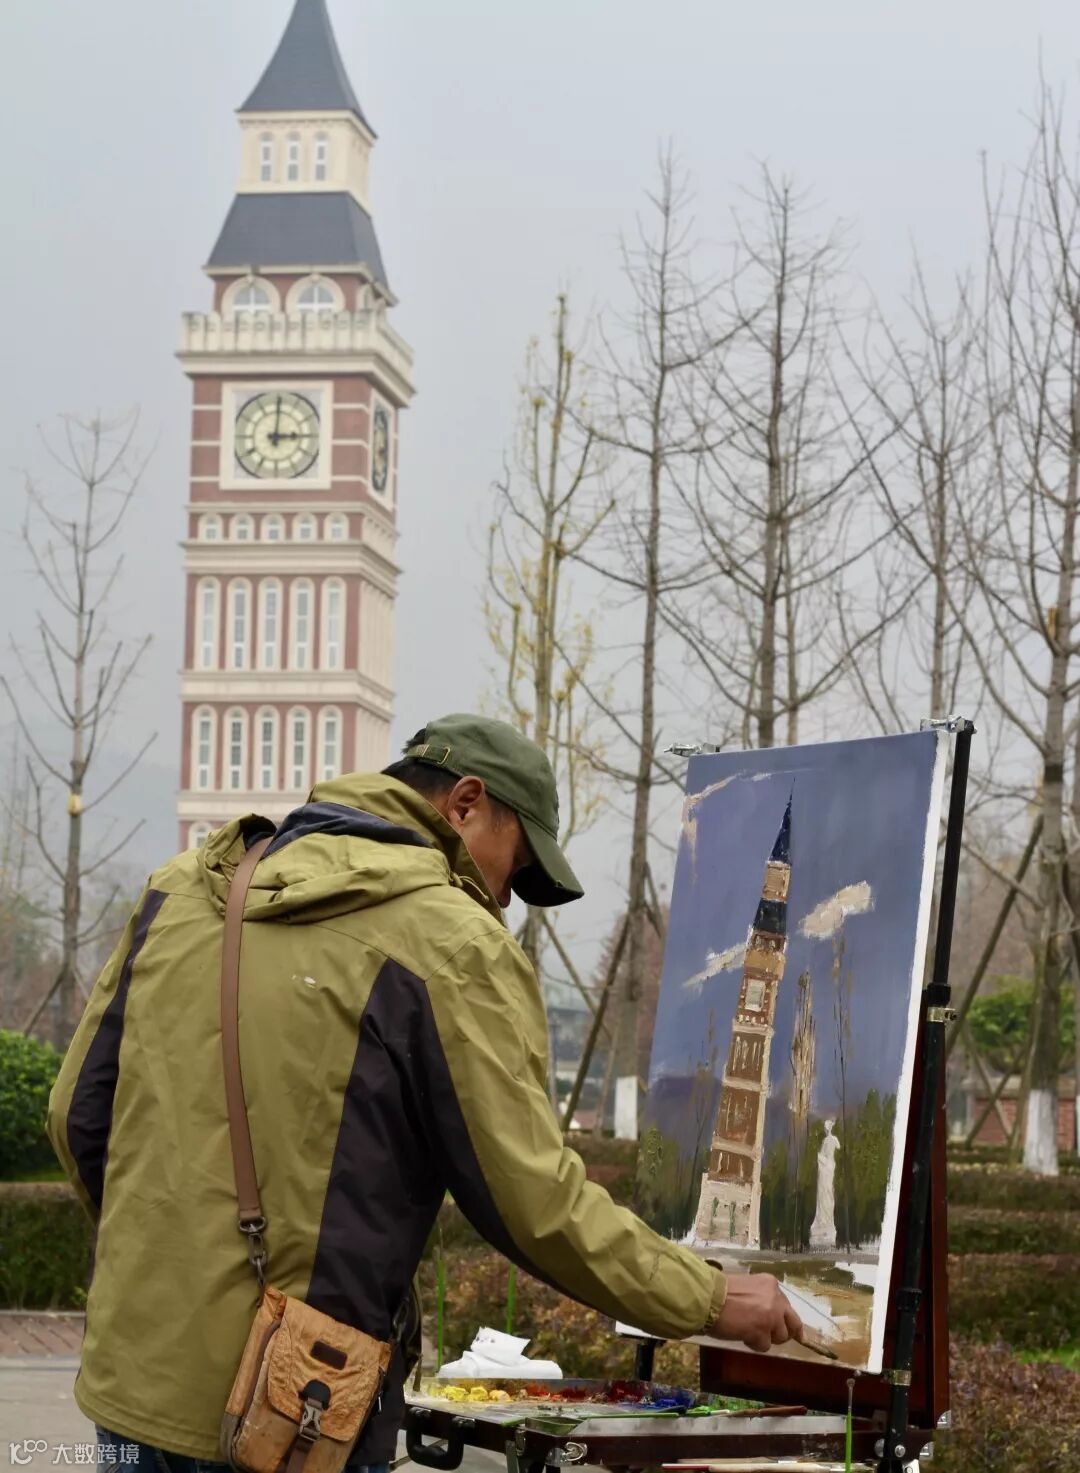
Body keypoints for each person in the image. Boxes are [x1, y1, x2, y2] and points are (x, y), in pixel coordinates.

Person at [47, 713, 802, 1473]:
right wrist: (710, 1299)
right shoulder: (450, 941)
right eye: (513, 867)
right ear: (465, 803)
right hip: (291, 1408)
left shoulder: (180, 890)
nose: (503, 898)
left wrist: (166, 1268)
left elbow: (76, 1114)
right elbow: (537, 1204)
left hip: (132, 1383)